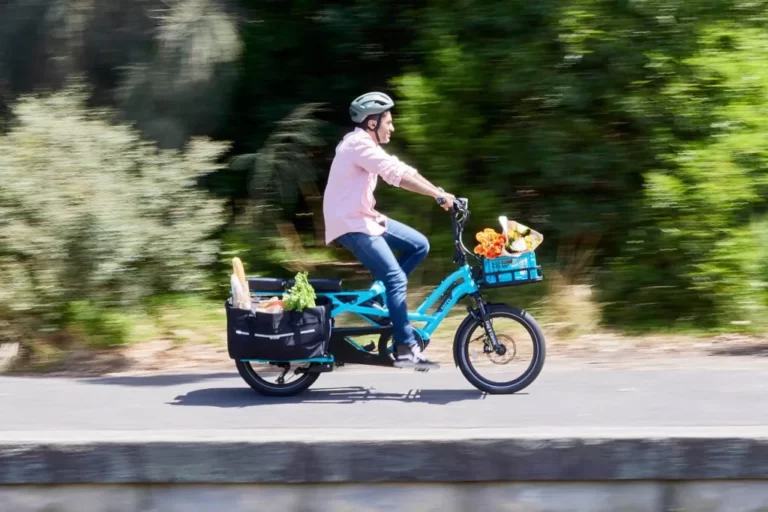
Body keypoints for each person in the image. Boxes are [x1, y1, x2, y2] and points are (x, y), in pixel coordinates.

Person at [323, 91, 456, 369]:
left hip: (365, 217)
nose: (392, 128)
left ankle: (377, 301)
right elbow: (395, 175)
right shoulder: (357, 145)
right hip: (350, 222)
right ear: (372, 123)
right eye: (388, 122)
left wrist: (438, 191)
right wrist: (435, 196)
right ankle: (406, 348)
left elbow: (400, 167)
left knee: (419, 245)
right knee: (396, 278)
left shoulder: (365, 145)